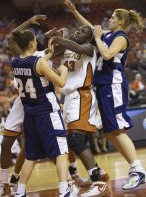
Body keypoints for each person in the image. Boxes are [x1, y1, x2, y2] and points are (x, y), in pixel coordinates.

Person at [63, 0, 146, 190]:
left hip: (113, 85)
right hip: (103, 86)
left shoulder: (121, 37)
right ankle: (136, 169)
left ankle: (138, 170)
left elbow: (107, 54)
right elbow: (92, 28)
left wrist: (99, 38)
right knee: (109, 133)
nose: (109, 19)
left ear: (121, 22)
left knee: (116, 129)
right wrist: (75, 12)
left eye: (113, 18)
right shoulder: (108, 35)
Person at [10, 27, 80, 197]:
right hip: (47, 112)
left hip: (30, 114)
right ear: (33, 43)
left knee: (31, 155)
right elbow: (61, 82)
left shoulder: (15, 62)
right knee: (62, 151)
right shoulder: (39, 63)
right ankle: (64, 190)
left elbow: (35, 65)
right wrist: (63, 69)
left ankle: (20, 191)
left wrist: (49, 53)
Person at [50, 25, 110, 197]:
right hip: (68, 97)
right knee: (67, 142)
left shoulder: (88, 48)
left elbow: (77, 47)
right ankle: (78, 177)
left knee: (76, 139)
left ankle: (98, 183)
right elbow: (50, 53)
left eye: (83, 31)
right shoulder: (66, 48)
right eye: (77, 30)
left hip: (82, 95)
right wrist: (55, 40)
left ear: (89, 38)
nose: (78, 31)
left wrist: (61, 37)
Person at [0, 15, 48, 197]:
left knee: (34, 145)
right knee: (6, 144)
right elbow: (11, 37)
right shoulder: (18, 57)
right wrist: (29, 21)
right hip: (21, 102)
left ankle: (69, 178)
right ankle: (4, 183)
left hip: (39, 103)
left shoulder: (42, 56)